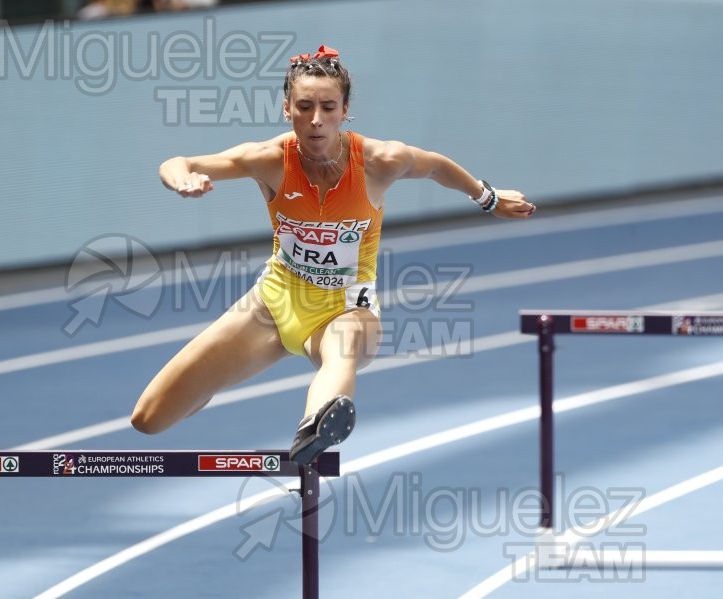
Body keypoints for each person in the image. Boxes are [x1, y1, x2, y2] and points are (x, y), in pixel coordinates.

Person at [131, 45, 535, 465]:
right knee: (148, 418)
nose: (316, 119)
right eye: (305, 107)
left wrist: (488, 198)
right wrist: (182, 180)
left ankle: (315, 428)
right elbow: (177, 161)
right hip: (274, 302)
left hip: (346, 310)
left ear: (345, 111)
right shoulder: (268, 159)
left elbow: (435, 166)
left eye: (328, 107)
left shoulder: (380, 161)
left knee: (341, 350)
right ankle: (210, 386)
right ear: (287, 109)